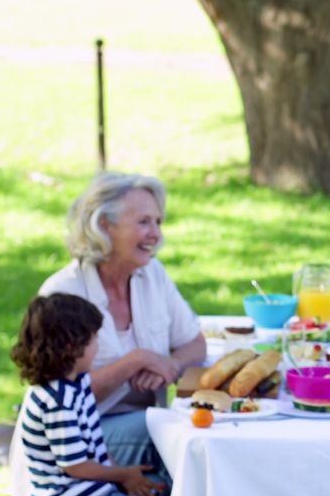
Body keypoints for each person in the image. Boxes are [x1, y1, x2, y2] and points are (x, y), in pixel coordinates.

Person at [38, 172, 206, 480]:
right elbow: (57, 400)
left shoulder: (153, 274)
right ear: (104, 226)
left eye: (158, 222)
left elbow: (195, 343)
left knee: (196, 435)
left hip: (148, 421)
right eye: (143, 222)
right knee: (185, 442)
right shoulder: (62, 296)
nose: (155, 234)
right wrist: (136, 362)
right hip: (81, 439)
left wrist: (169, 364)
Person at [11, 293, 166, 496]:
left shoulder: (78, 383)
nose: (97, 345)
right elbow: (76, 466)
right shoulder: (58, 401)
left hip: (95, 490)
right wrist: (123, 475)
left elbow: (95, 443)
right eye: (94, 338)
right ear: (71, 346)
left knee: (165, 494)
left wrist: (123, 476)